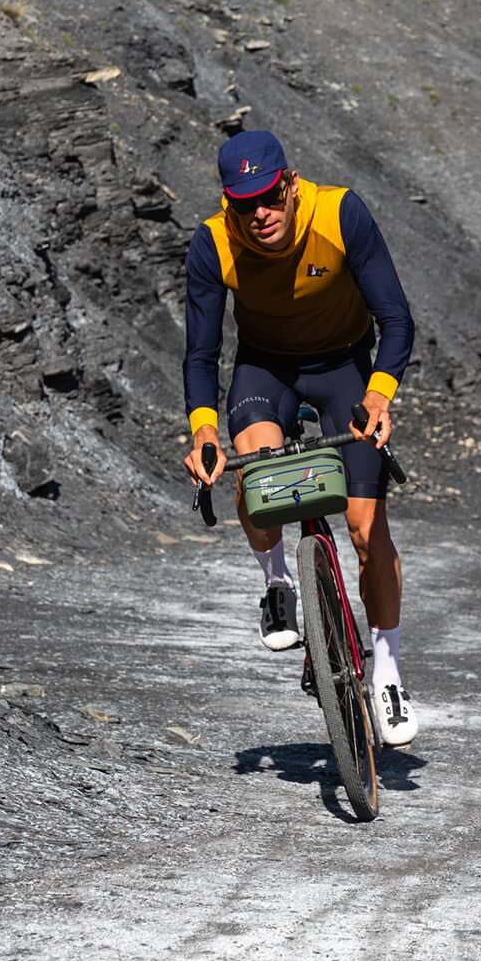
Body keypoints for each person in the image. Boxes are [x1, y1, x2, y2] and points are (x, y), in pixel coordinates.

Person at [180, 130, 419, 746]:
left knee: (366, 530)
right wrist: (203, 430)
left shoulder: (340, 212)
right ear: (228, 202)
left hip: (345, 368)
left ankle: (386, 670)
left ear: (290, 185)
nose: (260, 213)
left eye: (269, 197)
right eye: (244, 204)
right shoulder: (213, 242)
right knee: (255, 476)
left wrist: (378, 395)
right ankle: (278, 581)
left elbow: (396, 319)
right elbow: (201, 354)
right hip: (266, 369)